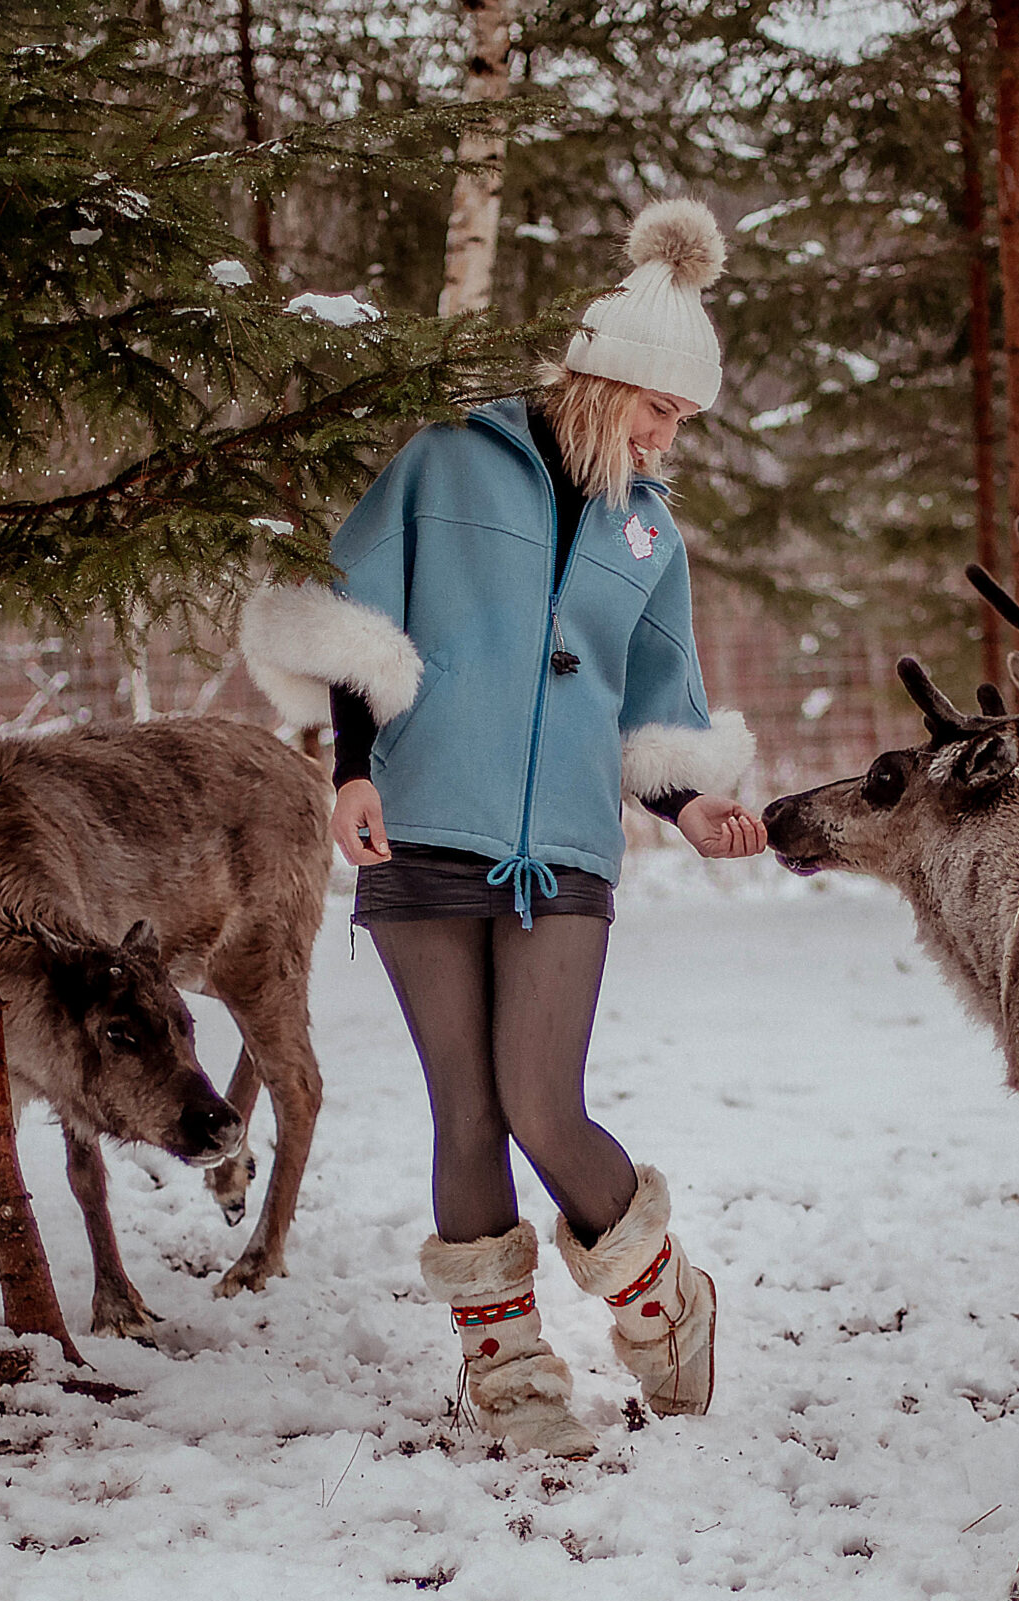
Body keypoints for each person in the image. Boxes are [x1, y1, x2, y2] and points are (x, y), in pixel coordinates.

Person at [239, 200, 761, 1459]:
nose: (666, 433)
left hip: (565, 851)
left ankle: (657, 1299)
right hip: (420, 828)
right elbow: (363, 624)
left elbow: (653, 707)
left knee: (540, 1097)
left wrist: (690, 802)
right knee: (465, 1111)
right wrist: (349, 771)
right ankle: (506, 1363)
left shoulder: (651, 530)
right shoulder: (446, 461)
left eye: (682, 419)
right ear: (608, 378)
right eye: (659, 408)